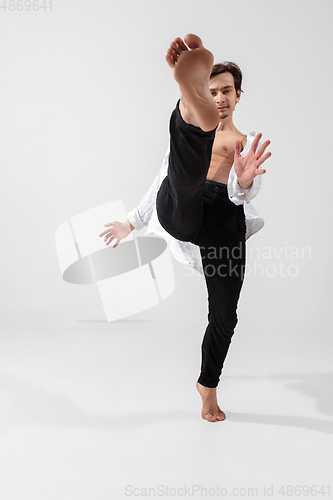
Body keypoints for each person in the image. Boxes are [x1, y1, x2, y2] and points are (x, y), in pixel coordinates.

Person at [99, 34, 271, 423]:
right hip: (183, 203)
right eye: (211, 92)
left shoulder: (244, 144)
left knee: (225, 315)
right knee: (183, 178)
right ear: (205, 94)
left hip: (225, 217)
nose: (222, 97)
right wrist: (131, 222)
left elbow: (247, 192)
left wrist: (243, 181)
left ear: (238, 95)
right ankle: (188, 118)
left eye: (226, 91)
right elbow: (165, 176)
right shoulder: (192, 152)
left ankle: (207, 386)